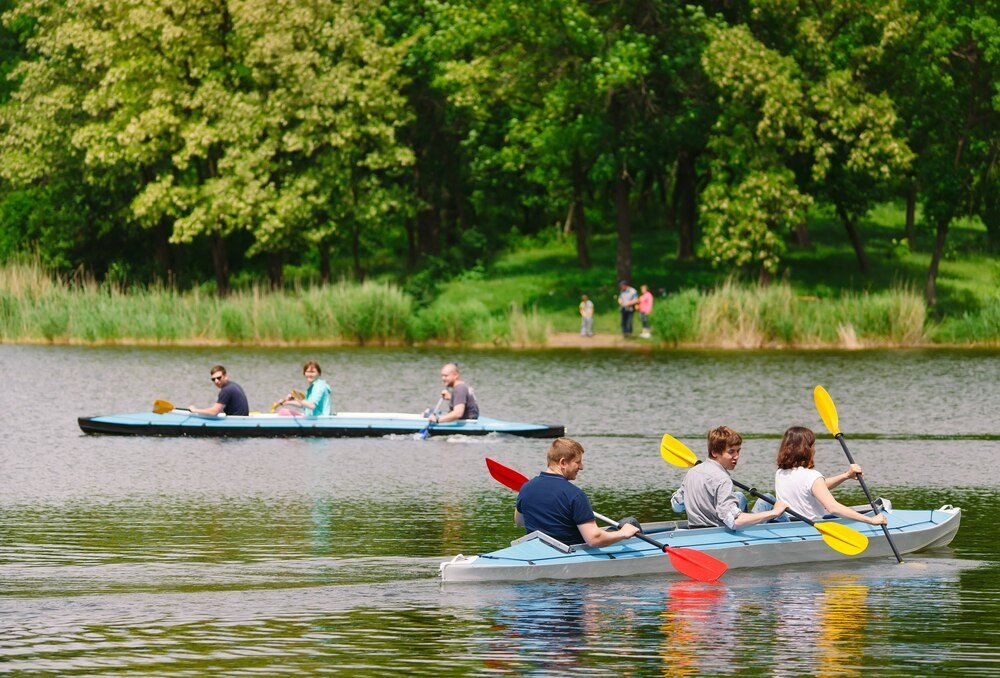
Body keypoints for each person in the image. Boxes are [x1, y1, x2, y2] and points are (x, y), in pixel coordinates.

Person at [515, 437, 641, 547]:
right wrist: (623, 533)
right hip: (572, 551)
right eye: (578, 462)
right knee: (630, 522)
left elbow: (519, 521)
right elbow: (594, 540)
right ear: (563, 462)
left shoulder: (526, 488)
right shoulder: (574, 495)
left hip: (538, 549)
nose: (581, 467)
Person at [671, 426, 789, 529]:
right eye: (731, 452)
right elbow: (734, 522)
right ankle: (794, 534)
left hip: (695, 530)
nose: (736, 456)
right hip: (719, 533)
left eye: (738, 451)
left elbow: (676, 506)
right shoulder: (723, 479)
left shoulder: (692, 472)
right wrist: (774, 512)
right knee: (768, 499)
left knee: (739, 496)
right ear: (714, 453)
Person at [773, 426, 888, 526]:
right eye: (812, 446)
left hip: (789, 524)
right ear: (806, 450)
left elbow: (813, 487)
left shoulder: (780, 473)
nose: (814, 449)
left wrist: (846, 475)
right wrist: (871, 520)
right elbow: (833, 508)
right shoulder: (811, 476)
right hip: (812, 526)